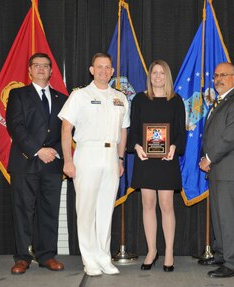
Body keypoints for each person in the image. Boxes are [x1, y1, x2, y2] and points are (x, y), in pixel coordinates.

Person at [58, 52, 129, 276]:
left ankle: (104, 257)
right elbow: (66, 129)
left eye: (108, 67)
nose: (104, 71)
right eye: (99, 67)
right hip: (87, 153)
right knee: (86, 210)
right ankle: (89, 259)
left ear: (112, 71)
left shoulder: (120, 97)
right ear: (92, 70)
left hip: (111, 157)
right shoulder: (80, 95)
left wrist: (120, 158)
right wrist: (68, 161)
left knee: (105, 210)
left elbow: (123, 130)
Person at [6, 53, 67, 274]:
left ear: (52, 71)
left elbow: (68, 131)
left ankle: (47, 255)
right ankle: (22, 257)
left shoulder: (63, 98)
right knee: (22, 211)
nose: (41, 69)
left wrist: (55, 152)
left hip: (52, 164)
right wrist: (38, 150)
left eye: (46, 66)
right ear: (29, 70)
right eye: (37, 65)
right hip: (25, 163)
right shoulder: (18, 95)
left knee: (49, 211)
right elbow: (15, 126)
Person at [127, 60, 186, 272]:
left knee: (167, 205)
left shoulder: (176, 100)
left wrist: (174, 147)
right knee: (148, 204)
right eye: (154, 73)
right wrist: (135, 146)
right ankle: (152, 251)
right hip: (145, 160)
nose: (158, 76)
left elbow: (180, 132)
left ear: (167, 76)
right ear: (150, 76)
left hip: (166, 161)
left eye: (162, 73)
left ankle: (169, 251)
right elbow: (133, 129)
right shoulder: (140, 100)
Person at [198, 62, 234, 278]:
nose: (218, 79)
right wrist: (208, 159)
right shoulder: (220, 101)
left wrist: (209, 158)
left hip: (229, 171)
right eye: (216, 75)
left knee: (229, 218)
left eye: (223, 75)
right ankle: (221, 255)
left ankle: (232, 264)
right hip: (218, 170)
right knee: (220, 217)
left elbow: (230, 137)